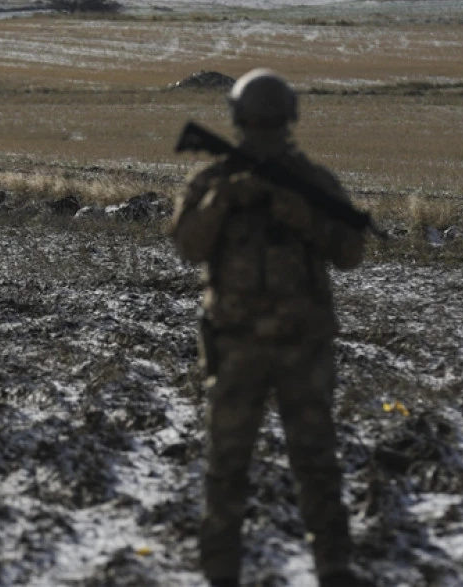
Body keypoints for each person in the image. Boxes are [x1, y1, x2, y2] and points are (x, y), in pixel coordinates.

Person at [168, 69, 368, 587]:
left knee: (312, 463)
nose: (262, 128)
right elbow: (188, 247)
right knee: (230, 468)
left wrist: (303, 216)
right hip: (236, 350)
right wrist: (223, 202)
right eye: (258, 120)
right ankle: (223, 572)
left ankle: (334, 569)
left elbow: (349, 252)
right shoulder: (213, 183)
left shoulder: (311, 184)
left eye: (268, 120)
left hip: (300, 349)